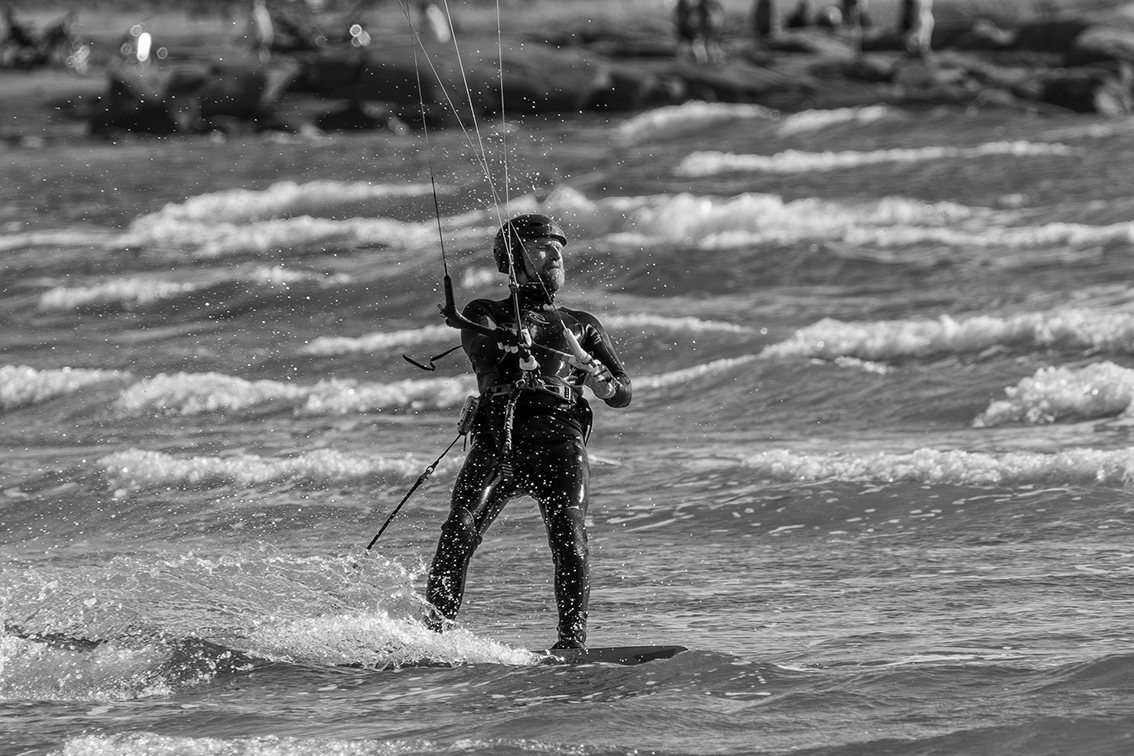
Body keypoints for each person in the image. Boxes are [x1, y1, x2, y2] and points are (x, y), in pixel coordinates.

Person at [424, 214, 632, 650]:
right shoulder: (486, 313)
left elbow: (623, 391)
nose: (555, 256)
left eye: (559, 250)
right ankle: (433, 638)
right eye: (542, 249)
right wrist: (511, 337)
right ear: (512, 259)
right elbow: (479, 340)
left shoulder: (581, 324)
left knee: (570, 535)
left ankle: (571, 643)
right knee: (458, 529)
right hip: (499, 438)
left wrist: (603, 384)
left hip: (560, 439)